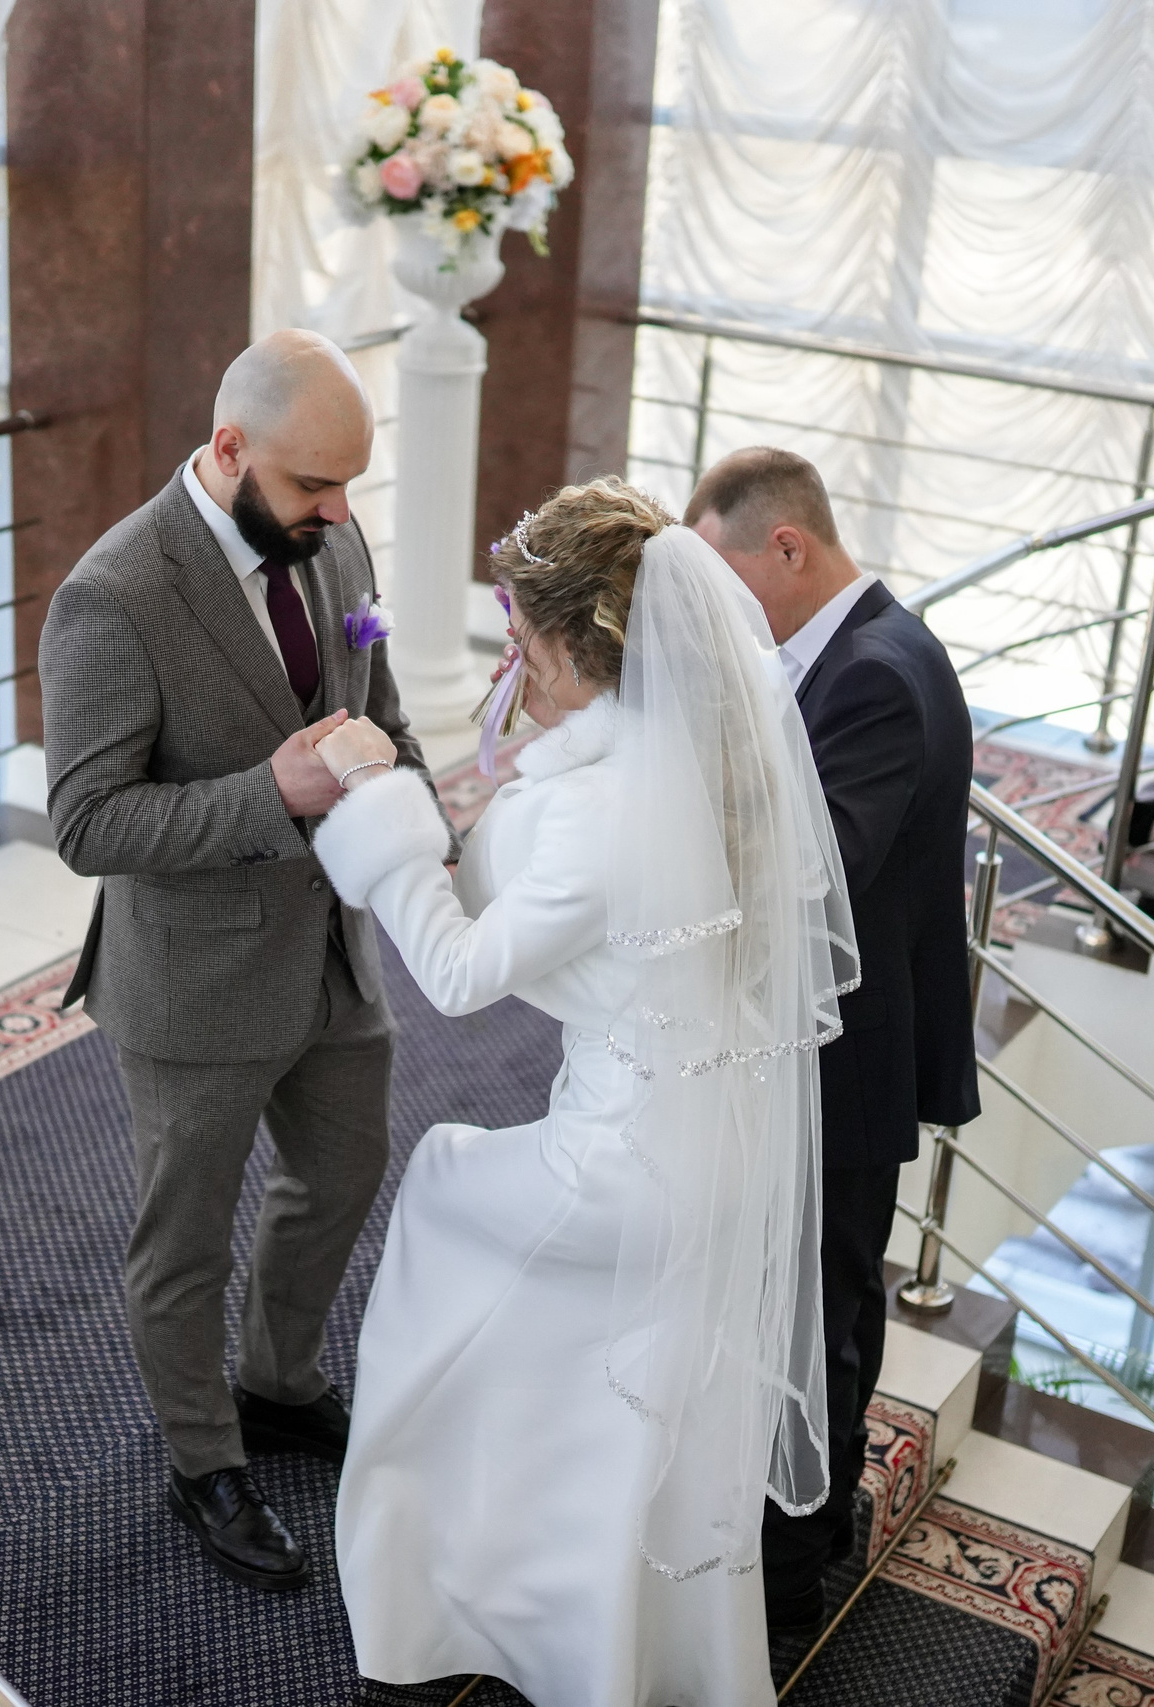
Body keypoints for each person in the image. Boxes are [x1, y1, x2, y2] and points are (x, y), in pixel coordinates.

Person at [308, 479, 857, 1706]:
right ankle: (585, 1617)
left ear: (588, 651)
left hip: (625, 1170)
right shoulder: (703, 766)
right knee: (586, 1376)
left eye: (524, 644)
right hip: (715, 1159)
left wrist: (380, 810)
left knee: (441, 1192)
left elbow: (455, 977)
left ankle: (431, 1573)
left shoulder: (602, 810)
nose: (514, 665)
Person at [38, 329, 443, 1593]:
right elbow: (87, 825)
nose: (339, 514)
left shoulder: (337, 540)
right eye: (314, 487)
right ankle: (202, 1458)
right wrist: (269, 792)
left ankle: (276, 1384)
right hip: (194, 983)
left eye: (347, 486)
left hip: (332, 950)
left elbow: (375, 696)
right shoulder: (113, 596)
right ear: (228, 450)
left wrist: (420, 804)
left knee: (342, 1171)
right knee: (186, 1240)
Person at [685, 446, 981, 1637]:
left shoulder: (871, 677)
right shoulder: (858, 649)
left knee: (820, 1303)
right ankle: (824, 1507)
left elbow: (816, 874)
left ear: (787, 548)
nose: (710, 612)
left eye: (720, 579)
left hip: (844, 1055)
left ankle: (794, 1566)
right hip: (844, 1040)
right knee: (833, 1293)